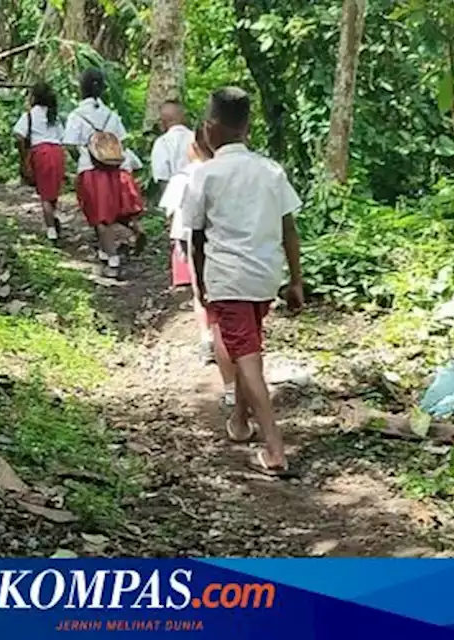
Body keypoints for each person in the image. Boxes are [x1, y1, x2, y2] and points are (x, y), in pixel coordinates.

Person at [181, 86, 304, 478]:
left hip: (229, 279)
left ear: (210, 128)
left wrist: (199, 283)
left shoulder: (206, 175)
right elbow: (289, 228)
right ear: (248, 126)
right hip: (265, 277)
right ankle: (239, 422)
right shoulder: (271, 171)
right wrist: (296, 280)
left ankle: (275, 449)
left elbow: (195, 236)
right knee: (247, 345)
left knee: (247, 360)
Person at [162, 129, 238, 402]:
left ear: (192, 148)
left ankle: (206, 338)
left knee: (199, 292)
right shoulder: (222, 174)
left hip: (187, 237)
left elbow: (170, 209)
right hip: (220, 242)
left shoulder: (184, 177)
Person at [63, 68, 146, 279]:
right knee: (111, 211)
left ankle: (113, 260)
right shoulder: (111, 114)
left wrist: (82, 157)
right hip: (113, 167)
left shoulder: (76, 115)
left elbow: (71, 143)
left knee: (100, 217)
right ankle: (112, 244)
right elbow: (122, 142)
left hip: (91, 169)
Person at [13, 83, 67, 243]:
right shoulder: (54, 116)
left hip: (40, 152)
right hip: (57, 152)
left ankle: (50, 229)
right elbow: (63, 137)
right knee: (53, 190)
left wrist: (23, 157)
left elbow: (19, 135)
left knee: (44, 193)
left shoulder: (30, 115)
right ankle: (52, 217)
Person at [150, 100, 194, 202]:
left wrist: (169, 206)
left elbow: (162, 177)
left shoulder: (162, 142)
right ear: (183, 117)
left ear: (163, 120)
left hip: (176, 197)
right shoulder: (197, 138)